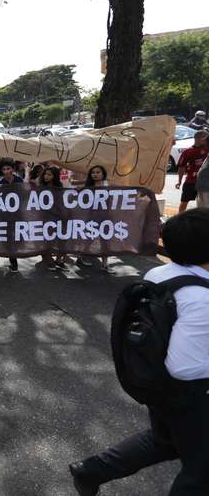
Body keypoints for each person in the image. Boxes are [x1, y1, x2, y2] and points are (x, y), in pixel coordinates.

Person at [69, 208, 209, 496]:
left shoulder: (160, 273)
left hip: (154, 382)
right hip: (190, 396)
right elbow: (184, 368)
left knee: (165, 441)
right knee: (201, 473)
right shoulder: (201, 299)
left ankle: (91, 470)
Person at [80, 165, 112, 272]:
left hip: (106, 216)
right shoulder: (88, 186)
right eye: (93, 172)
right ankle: (82, 256)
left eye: (98, 172)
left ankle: (105, 264)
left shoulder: (108, 185)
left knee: (105, 240)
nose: (95, 174)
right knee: (89, 238)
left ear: (103, 174)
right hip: (92, 216)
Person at [0, 161, 24, 272]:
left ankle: (15, 252)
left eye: (8, 168)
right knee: (9, 238)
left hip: (18, 213)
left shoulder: (19, 180)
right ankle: (13, 262)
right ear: (2, 171)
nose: (6, 171)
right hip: (5, 214)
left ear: (12, 169)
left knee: (18, 236)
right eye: (4, 169)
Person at [175, 130, 208, 213]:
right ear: (200, 138)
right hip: (191, 181)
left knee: (204, 203)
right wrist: (179, 181)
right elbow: (181, 167)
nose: (206, 140)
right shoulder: (188, 151)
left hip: (205, 182)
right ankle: (180, 219)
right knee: (184, 202)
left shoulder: (207, 149)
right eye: (205, 138)